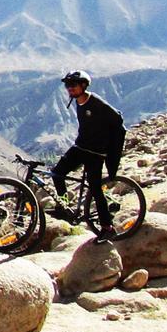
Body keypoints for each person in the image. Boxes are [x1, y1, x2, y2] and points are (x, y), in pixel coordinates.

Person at [51, 70, 126, 241]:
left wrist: (106, 145)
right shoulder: (78, 102)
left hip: (95, 153)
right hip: (80, 148)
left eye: (73, 85)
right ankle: (64, 206)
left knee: (95, 189)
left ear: (83, 85)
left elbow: (117, 120)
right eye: (67, 85)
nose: (70, 88)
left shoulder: (95, 102)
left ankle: (107, 227)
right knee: (57, 173)